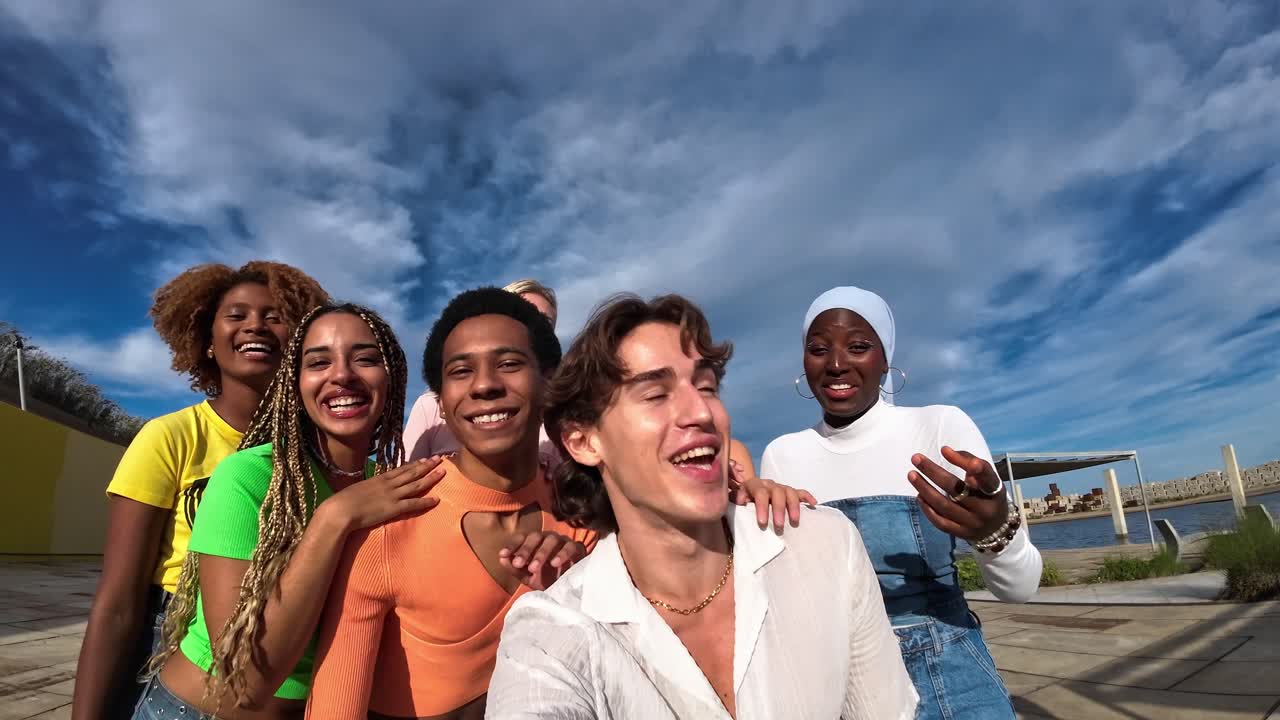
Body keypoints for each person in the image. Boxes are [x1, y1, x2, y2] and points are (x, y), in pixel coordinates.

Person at [485, 294, 918, 720]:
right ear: (584, 441)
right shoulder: (550, 635)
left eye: (707, 387)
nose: (701, 411)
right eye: (655, 394)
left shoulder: (826, 545)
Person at [133, 303, 448, 719]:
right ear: (295, 384)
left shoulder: (392, 486)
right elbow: (243, 680)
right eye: (318, 362)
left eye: (366, 359)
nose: (342, 375)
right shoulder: (249, 477)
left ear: (392, 379)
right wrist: (334, 519)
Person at [306, 287, 590, 719]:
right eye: (461, 371)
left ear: (549, 381)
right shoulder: (389, 525)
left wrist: (584, 586)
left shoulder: (582, 512)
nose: (485, 385)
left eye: (509, 364)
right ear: (440, 400)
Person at [759, 285, 1042, 720]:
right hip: (839, 682)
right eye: (818, 349)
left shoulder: (940, 427)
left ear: (885, 359)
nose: (836, 364)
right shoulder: (783, 455)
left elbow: (1020, 590)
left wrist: (995, 534)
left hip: (951, 668)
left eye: (858, 346)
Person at [73, 261, 329, 720]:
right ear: (207, 343)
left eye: (275, 315)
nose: (256, 324)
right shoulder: (170, 436)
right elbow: (118, 602)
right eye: (237, 315)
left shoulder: (322, 453)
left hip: (292, 653)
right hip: (172, 645)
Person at [402, 279, 559, 464]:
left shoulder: (557, 414)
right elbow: (404, 476)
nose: (484, 386)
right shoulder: (430, 405)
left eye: (544, 321)